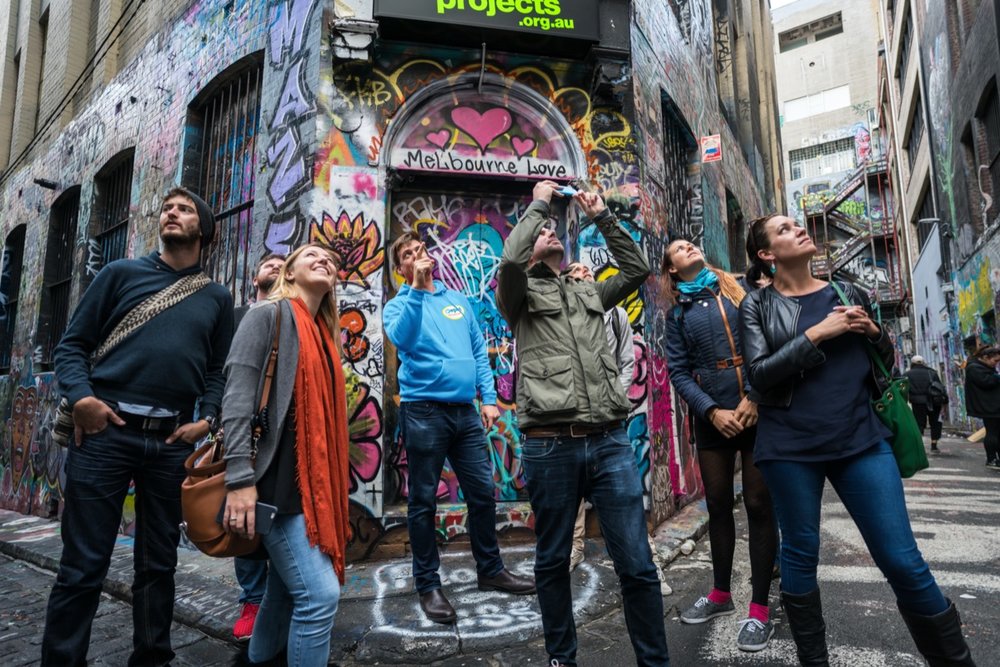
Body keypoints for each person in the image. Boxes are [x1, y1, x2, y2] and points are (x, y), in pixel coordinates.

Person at [740, 213, 975, 666]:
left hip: (861, 440)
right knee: (800, 557)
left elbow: (884, 363)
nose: (799, 229)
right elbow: (759, 376)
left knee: (902, 559)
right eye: (785, 229)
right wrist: (817, 334)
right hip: (789, 447)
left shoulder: (848, 292)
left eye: (797, 224)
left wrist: (876, 333)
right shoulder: (757, 305)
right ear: (767, 254)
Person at [41, 188, 233, 666]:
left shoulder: (216, 297)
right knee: (83, 565)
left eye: (184, 209)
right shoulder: (119, 274)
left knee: (159, 564)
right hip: (105, 434)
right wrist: (82, 399)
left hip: (171, 441)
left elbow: (217, 370)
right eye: (167, 208)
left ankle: (153, 658)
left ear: (205, 230)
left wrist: (205, 419)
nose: (171, 213)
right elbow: (71, 346)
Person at [498, 181, 669, 667]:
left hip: (610, 441)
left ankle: (655, 662)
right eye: (541, 232)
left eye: (554, 229)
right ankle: (562, 659)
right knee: (553, 560)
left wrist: (601, 216)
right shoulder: (518, 294)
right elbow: (509, 263)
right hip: (550, 446)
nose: (550, 231)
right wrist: (540, 203)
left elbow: (636, 269)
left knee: (637, 563)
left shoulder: (588, 290)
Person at [384, 233, 536, 624]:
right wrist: (416, 290)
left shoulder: (457, 300)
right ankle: (428, 585)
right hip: (423, 412)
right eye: (407, 254)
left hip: (465, 413)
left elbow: (477, 352)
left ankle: (491, 570)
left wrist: (488, 399)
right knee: (423, 501)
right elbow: (402, 338)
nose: (416, 255)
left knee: (483, 493)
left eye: (419, 249)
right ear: (400, 269)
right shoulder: (398, 304)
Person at [222, 243, 350, 665]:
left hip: (309, 489)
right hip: (273, 483)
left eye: (330, 260)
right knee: (319, 596)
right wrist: (239, 480)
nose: (324, 260)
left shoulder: (324, 337)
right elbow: (237, 400)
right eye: (311, 255)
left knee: (282, 592)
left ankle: (256, 660)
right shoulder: (266, 315)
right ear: (289, 273)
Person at [661, 239, 778, 652]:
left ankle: (760, 608)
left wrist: (754, 397)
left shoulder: (738, 288)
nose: (689, 247)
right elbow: (678, 372)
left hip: (758, 408)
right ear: (672, 268)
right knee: (717, 505)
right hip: (713, 419)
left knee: (759, 504)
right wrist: (711, 412)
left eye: (690, 243)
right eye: (679, 248)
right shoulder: (677, 315)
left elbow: (768, 342)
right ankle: (721, 594)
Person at [561, 262, 672, 595]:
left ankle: (647, 563)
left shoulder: (615, 314)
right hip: (569, 420)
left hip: (609, 420)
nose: (584, 273)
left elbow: (626, 361)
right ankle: (574, 547)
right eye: (575, 271)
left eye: (587, 271)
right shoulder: (559, 316)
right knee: (570, 493)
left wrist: (617, 400)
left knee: (627, 496)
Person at [230, 252, 285, 642]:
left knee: (278, 514)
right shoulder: (238, 316)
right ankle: (252, 599)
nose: (276, 267)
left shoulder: (291, 317)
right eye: (268, 264)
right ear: (254, 279)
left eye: (283, 263)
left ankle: (276, 599)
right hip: (242, 430)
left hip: (278, 432)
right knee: (244, 518)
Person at [963, 345, 1000, 469]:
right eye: (995, 360)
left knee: (996, 433)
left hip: (992, 405)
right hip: (988, 406)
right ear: (985, 357)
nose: (996, 364)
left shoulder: (980, 367)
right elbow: (986, 382)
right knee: (992, 432)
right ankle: (991, 458)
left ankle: (995, 458)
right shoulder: (974, 368)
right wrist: (997, 377)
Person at [905, 355, 946, 454]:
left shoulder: (907, 374)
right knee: (935, 422)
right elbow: (939, 387)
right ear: (923, 363)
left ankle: (919, 445)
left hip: (917, 402)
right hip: (933, 401)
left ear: (912, 363)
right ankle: (934, 445)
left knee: (919, 423)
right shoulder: (932, 373)